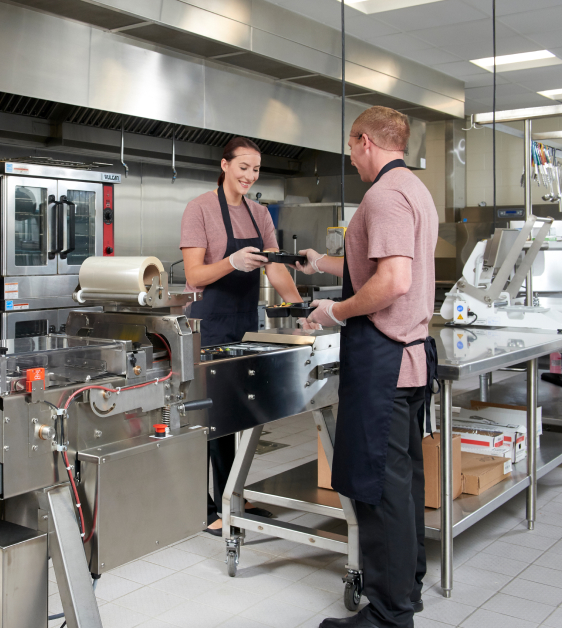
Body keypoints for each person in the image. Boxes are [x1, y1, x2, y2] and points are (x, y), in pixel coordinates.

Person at [297, 106, 437, 628]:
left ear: (363, 142)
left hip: (384, 361)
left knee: (376, 487)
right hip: (409, 358)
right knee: (401, 483)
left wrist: (334, 310)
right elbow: (381, 265)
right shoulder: (414, 190)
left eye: (350, 147)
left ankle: (388, 614)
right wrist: (324, 263)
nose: (351, 157)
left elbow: (393, 282)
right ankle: (406, 591)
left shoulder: (382, 196)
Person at [180, 137, 305, 537]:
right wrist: (230, 262)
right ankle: (205, 506)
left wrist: (299, 310)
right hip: (208, 322)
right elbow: (195, 275)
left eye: (255, 169)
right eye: (243, 167)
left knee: (237, 414)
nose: (250, 176)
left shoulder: (260, 213)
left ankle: (231, 495)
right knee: (209, 417)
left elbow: (276, 268)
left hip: (242, 321)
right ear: (225, 165)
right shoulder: (199, 208)